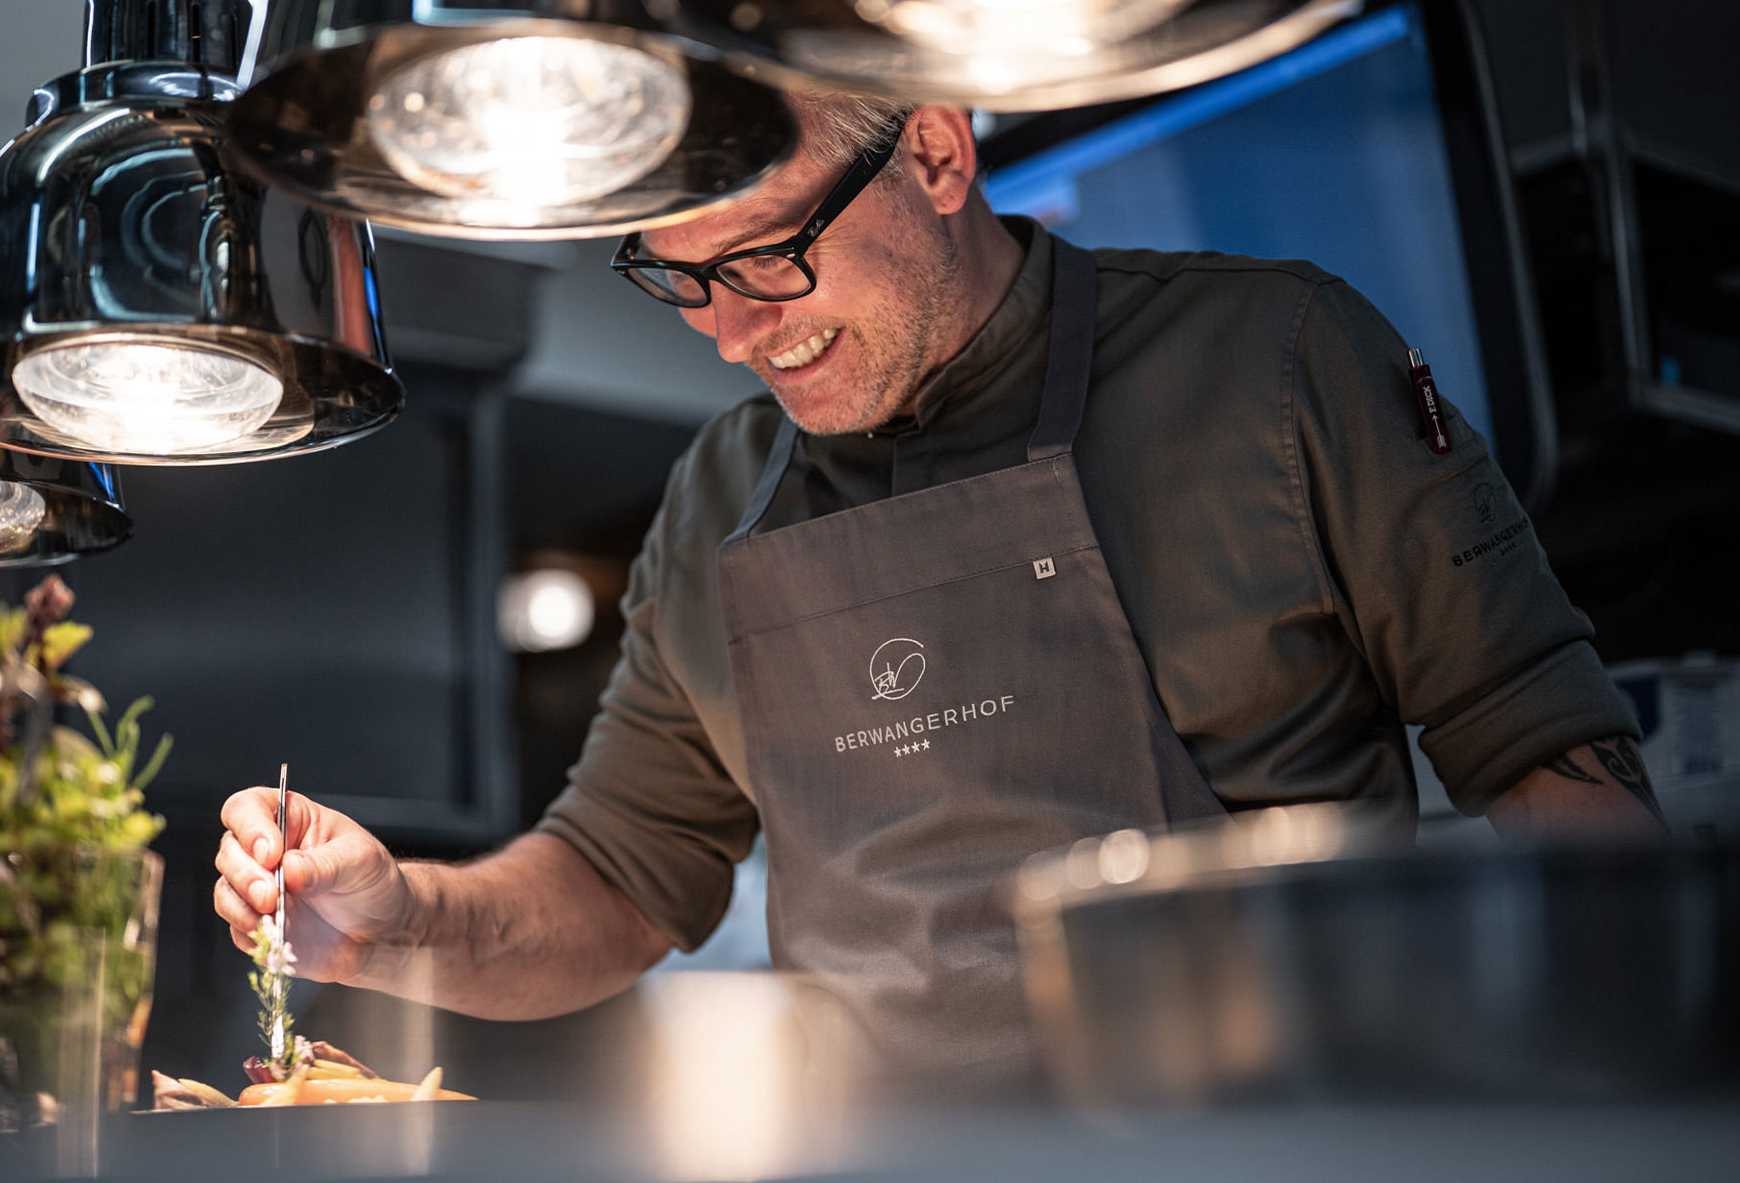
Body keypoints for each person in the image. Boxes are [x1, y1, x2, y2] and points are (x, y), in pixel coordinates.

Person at [216, 96, 1662, 1100]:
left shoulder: (1278, 360)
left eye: (770, 258)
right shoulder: (722, 492)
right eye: (678, 281)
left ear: (935, 153)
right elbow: (617, 878)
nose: (730, 337)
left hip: (1277, 1151)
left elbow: (1553, 775)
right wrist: (394, 919)